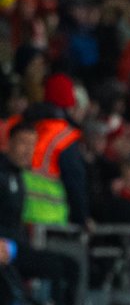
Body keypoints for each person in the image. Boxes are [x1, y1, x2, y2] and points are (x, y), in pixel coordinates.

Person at [0, 121, 80, 305]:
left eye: (32, 145)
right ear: (9, 143)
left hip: (17, 249)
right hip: (7, 250)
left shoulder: (20, 176)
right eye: (23, 143)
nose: (27, 150)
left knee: (69, 266)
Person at [20, 73, 90, 228]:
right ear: (70, 105)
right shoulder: (64, 136)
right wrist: (82, 218)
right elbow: (74, 181)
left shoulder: (28, 126)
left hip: (20, 219)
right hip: (51, 222)